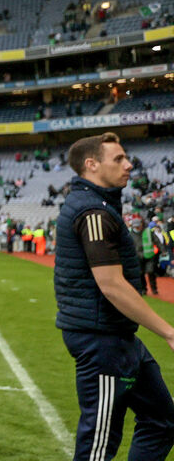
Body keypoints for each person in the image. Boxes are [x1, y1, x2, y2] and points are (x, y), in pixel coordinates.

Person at [55, 132, 174, 460]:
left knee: (162, 420)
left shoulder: (100, 204)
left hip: (118, 336)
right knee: (98, 446)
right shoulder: (93, 212)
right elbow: (111, 285)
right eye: (118, 159)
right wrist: (168, 332)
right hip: (101, 341)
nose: (129, 164)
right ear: (92, 165)